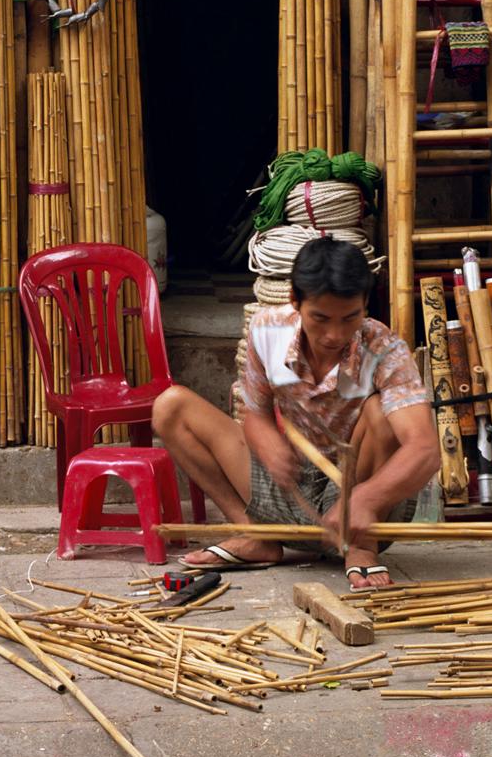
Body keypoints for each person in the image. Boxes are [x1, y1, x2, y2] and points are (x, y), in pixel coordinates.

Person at [152, 234, 440, 594]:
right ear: (295, 301)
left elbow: (425, 449)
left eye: (350, 317)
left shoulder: (382, 348)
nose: (334, 334)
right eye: (320, 318)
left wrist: (366, 498)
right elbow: (254, 414)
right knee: (171, 406)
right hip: (292, 479)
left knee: (378, 411)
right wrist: (268, 442)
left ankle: (361, 548)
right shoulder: (268, 331)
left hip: (360, 496)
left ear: (366, 304)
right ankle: (256, 534)